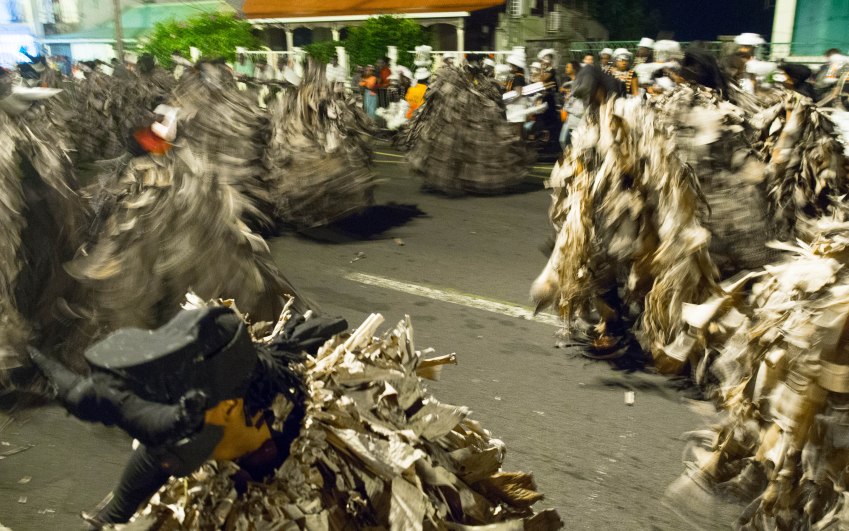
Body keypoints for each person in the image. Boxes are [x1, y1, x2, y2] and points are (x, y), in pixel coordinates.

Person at [28, 306, 346, 527]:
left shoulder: (307, 445)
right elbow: (114, 515)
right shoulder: (177, 436)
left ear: (229, 409)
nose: (164, 448)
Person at [559, 60, 583, 149]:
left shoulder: (580, 82)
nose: (566, 69)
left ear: (574, 68)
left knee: (571, 141)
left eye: (568, 67)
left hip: (577, 115)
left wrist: (568, 93)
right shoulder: (567, 82)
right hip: (568, 116)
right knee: (563, 140)